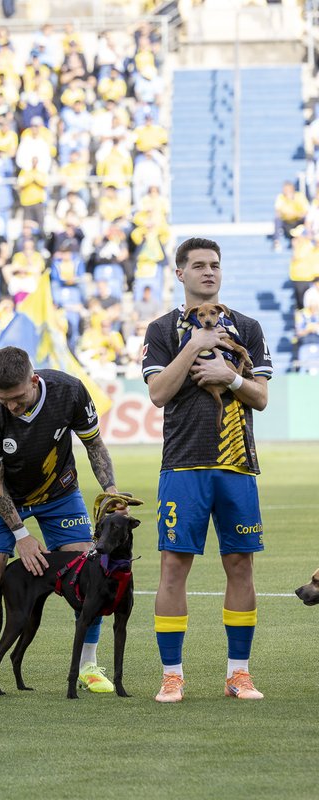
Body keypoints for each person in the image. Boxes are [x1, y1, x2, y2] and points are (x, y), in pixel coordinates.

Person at [142, 237, 272, 703]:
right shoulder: (160, 330)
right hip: (183, 464)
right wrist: (194, 346)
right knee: (174, 567)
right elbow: (158, 393)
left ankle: (239, 674)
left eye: (214, 265)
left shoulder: (249, 328)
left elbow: (259, 397)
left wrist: (230, 376)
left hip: (237, 465)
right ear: (180, 273)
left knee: (240, 564)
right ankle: (172, 675)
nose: (208, 272)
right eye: (198, 265)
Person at [0, 346, 125, 698]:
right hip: (5, 497)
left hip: (59, 493)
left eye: (17, 398)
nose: (11, 406)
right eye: (3, 399)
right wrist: (21, 534)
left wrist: (111, 492)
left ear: (33, 381)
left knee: (88, 562)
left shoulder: (69, 391)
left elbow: (94, 446)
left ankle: (88, 666)